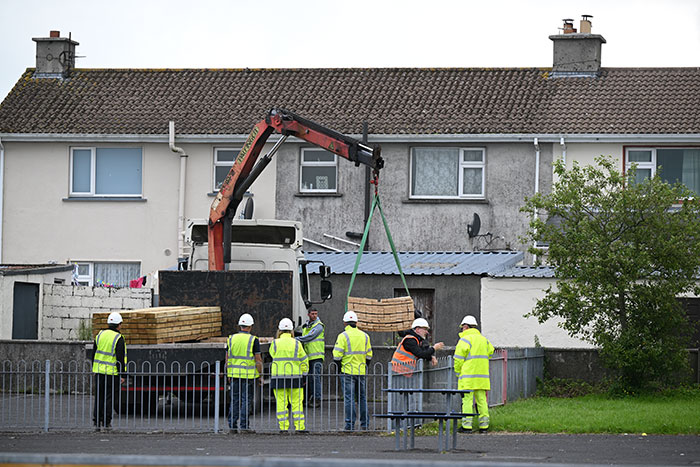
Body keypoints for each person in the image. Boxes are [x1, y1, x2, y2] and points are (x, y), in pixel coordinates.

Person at [390, 318, 445, 413]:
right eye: (425, 329)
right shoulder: (410, 340)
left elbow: (422, 352)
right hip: (398, 372)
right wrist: (434, 348)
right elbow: (420, 353)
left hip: (403, 372)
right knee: (399, 399)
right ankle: (400, 418)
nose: (427, 332)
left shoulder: (414, 339)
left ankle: (406, 417)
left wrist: (430, 357)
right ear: (418, 329)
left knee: (405, 397)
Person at [453, 315, 494, 433]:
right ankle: (484, 426)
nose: (461, 330)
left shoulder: (464, 340)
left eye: (462, 327)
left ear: (465, 327)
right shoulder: (483, 340)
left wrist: (458, 372)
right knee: (482, 401)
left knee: (467, 401)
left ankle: (467, 426)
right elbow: (491, 351)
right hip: (482, 377)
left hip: (468, 377)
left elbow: (458, 359)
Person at [333, 311, 373, 431]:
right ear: (356, 322)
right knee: (362, 398)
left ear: (345, 323)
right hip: (361, 371)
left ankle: (349, 425)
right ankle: (364, 424)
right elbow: (369, 356)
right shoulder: (365, 336)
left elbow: (336, 356)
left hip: (347, 371)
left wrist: (339, 367)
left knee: (349, 398)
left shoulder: (343, 336)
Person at [270, 318, 309, 433]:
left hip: (278, 377)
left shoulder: (275, 343)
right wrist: (304, 374)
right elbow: (304, 360)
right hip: (295, 377)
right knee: (297, 403)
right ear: (291, 330)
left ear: (279, 330)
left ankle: (283, 428)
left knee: (281, 403)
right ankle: (299, 427)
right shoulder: (297, 343)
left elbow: (272, 355)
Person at [226, 313, 263, 433]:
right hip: (248, 376)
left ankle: (232, 426)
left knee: (234, 400)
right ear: (250, 326)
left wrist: (228, 374)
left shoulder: (231, 339)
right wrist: (260, 375)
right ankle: (244, 426)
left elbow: (227, 358)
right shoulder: (253, 340)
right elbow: (258, 360)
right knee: (246, 400)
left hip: (234, 374)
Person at [91, 311, 127, 432]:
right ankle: (106, 423)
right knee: (109, 398)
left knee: (99, 397)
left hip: (99, 372)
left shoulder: (100, 335)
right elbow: (120, 358)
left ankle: (96, 422)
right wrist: (122, 374)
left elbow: (94, 353)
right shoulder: (118, 338)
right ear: (119, 325)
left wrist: (94, 368)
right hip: (112, 373)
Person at [296, 307, 324, 407]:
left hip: (316, 356)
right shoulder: (306, 326)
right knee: (310, 379)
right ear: (308, 314)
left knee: (316, 378)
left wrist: (296, 339)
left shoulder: (318, 326)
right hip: (308, 356)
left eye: (316, 314)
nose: (314, 316)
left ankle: (317, 399)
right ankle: (311, 397)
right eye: (312, 314)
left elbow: (309, 337)